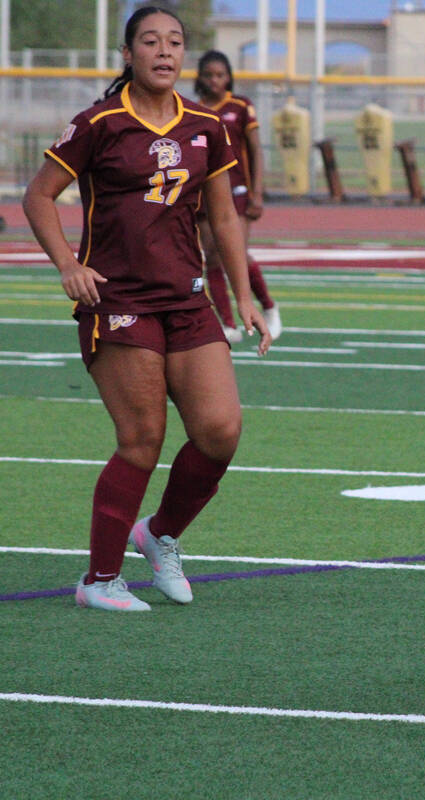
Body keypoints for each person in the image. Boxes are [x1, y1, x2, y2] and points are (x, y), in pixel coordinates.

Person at [22, 6, 271, 611]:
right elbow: (38, 197)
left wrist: (244, 296)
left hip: (187, 299)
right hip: (120, 300)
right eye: (151, 42)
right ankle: (99, 581)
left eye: (175, 42)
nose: (165, 51)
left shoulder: (207, 125)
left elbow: (223, 217)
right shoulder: (99, 123)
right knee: (142, 438)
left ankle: (159, 535)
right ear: (128, 53)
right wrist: (68, 266)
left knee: (220, 432)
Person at [194, 49, 282, 342]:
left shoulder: (241, 106)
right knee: (213, 256)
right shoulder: (195, 109)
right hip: (207, 193)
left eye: (220, 75)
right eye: (208, 75)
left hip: (238, 190)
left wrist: (258, 192)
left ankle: (269, 306)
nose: (215, 80)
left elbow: (255, 149)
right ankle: (228, 324)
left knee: (238, 254)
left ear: (229, 77)